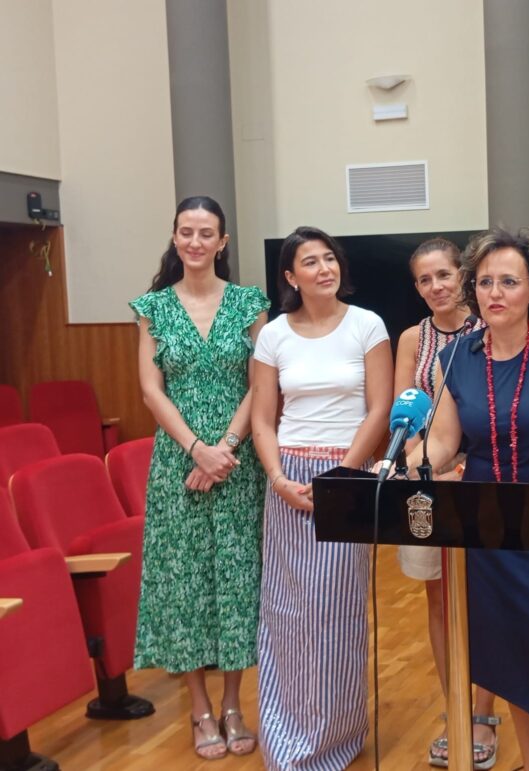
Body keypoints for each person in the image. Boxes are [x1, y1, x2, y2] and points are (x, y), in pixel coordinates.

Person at [403, 226, 529, 771]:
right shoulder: (455, 358)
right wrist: (406, 462)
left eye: (509, 281)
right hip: (486, 526)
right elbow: (443, 441)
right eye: (485, 282)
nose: (495, 292)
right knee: (512, 652)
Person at [131, 195, 269, 760]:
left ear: (222, 242)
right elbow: (150, 389)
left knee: (236, 581)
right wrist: (196, 449)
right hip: (177, 464)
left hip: (238, 462)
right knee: (183, 583)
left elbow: (262, 383)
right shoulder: (153, 307)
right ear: (175, 237)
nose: (195, 241)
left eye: (205, 232)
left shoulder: (250, 303)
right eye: (186, 231)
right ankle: (198, 707)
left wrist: (226, 449)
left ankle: (234, 703)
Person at [250, 226, 392, 770]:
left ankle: (335, 734)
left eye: (329, 258)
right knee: (286, 610)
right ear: (291, 277)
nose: (324, 268)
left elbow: (379, 408)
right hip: (288, 477)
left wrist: (344, 473)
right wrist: (277, 477)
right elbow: (263, 418)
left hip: (345, 472)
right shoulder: (274, 335)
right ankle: (286, 734)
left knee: (336, 609)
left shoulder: (367, 325)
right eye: (310, 262)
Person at [391, 237, 499, 769]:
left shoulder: (489, 329)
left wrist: (463, 465)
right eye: (424, 279)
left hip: (479, 478)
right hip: (426, 483)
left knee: (484, 597)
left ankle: (483, 714)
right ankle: (454, 706)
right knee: (438, 598)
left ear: (463, 275)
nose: (436, 286)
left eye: (444, 275)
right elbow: (403, 413)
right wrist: (423, 465)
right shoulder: (413, 338)